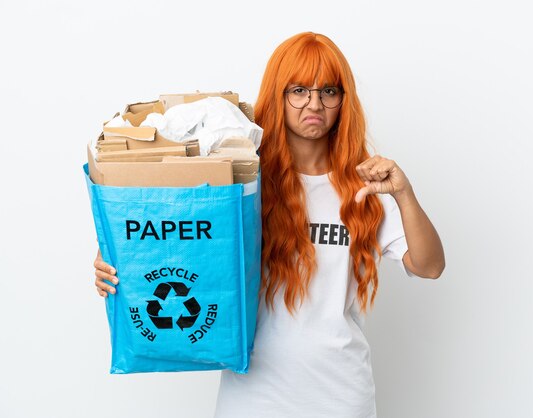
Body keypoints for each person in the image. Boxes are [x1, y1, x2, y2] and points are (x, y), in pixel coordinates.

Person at [94, 32, 445, 418]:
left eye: (328, 90)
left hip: (342, 397)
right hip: (253, 398)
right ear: (278, 94)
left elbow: (429, 266)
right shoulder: (241, 180)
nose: (314, 103)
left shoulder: (364, 185)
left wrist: (404, 194)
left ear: (344, 100)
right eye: (299, 90)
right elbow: (170, 226)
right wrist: (116, 257)